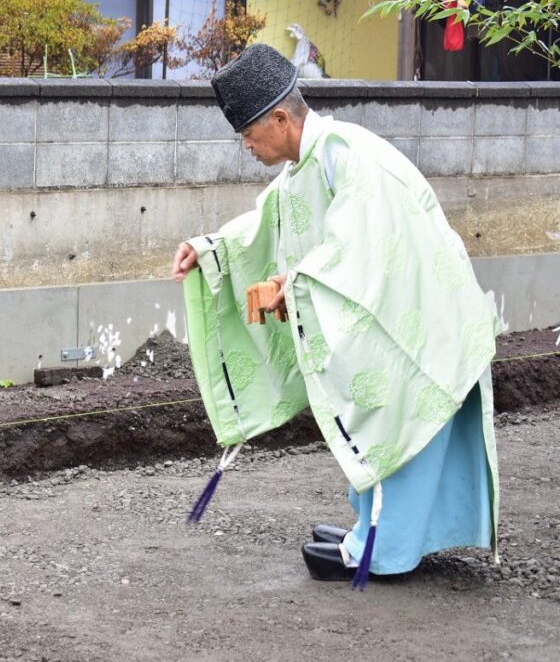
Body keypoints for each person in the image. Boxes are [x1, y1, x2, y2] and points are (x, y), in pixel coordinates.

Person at [172, 44, 500, 588]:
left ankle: (384, 548)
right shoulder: (309, 161)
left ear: (281, 119)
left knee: (395, 418)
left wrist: (293, 284)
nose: (248, 147)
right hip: (400, 314)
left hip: (420, 322)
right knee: (381, 417)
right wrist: (212, 250)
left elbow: (361, 247)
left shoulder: (348, 155)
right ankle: (374, 530)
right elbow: (271, 226)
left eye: (251, 135)